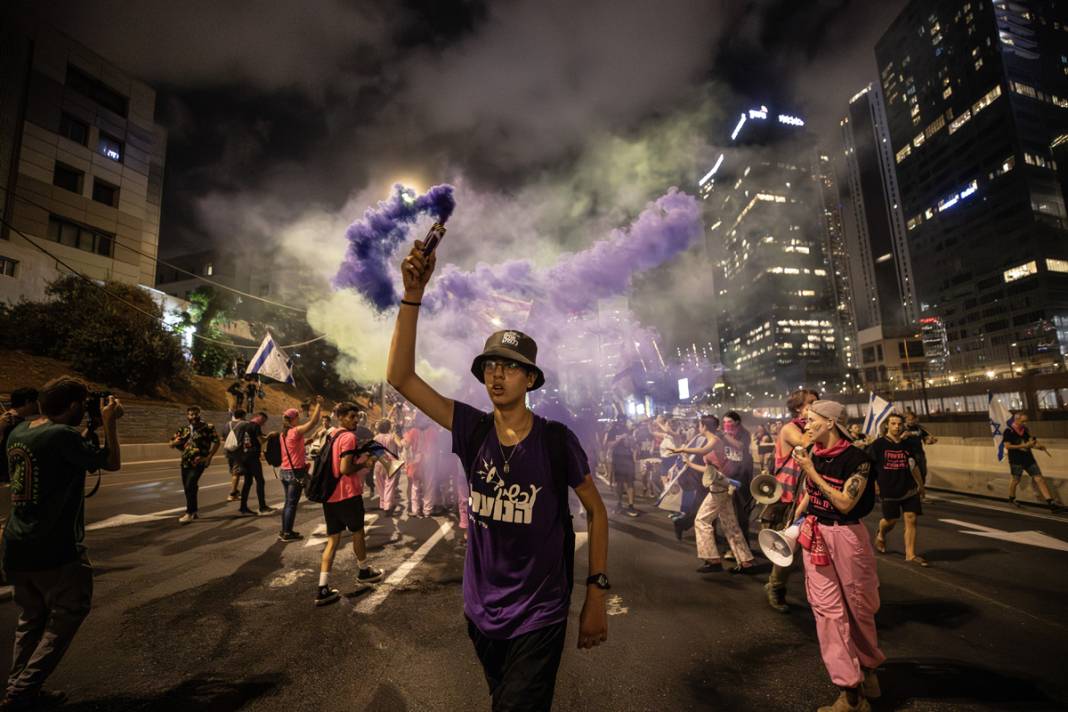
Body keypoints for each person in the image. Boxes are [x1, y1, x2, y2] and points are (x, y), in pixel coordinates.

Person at [386, 239, 609, 710]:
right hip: (481, 611)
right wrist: (412, 295)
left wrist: (596, 594)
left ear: (530, 379)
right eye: (491, 365)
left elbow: (596, 510)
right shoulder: (471, 428)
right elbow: (401, 377)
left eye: (510, 366)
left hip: (540, 613)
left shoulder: (555, 439)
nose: (497, 375)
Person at [2, 378, 123, 709]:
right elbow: (111, 462)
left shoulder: (22, 431)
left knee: (31, 619)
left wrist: (88, 429)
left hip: (16, 544)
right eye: (83, 405)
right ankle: (21, 692)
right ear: (72, 406)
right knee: (68, 613)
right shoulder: (62, 436)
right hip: (52, 546)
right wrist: (110, 424)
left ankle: (21, 686)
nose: (87, 409)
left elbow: (62, 455)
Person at [793, 400, 883, 712]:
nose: (805, 426)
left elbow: (845, 503)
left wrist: (810, 471)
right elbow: (811, 493)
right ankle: (850, 692)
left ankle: (869, 668)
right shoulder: (812, 453)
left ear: (830, 422)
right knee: (827, 613)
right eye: (805, 421)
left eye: (811, 420)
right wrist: (793, 521)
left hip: (846, 536)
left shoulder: (857, 459)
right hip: (815, 535)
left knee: (859, 607)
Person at [315, 402, 385, 606]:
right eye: (351, 417)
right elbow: (345, 468)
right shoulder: (348, 437)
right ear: (341, 417)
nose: (356, 420)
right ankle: (364, 571)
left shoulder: (331, 434)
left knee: (333, 540)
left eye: (357, 417)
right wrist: (365, 463)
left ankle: (322, 588)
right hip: (347, 494)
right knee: (358, 533)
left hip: (330, 496)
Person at [761, 388, 818, 613]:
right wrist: (820, 423)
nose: (817, 405)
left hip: (809, 497)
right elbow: (804, 442)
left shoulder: (815, 428)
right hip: (787, 498)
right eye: (811, 403)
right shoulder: (790, 429)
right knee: (787, 550)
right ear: (798, 408)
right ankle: (775, 587)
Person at [682, 415, 754, 574]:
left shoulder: (715, 440)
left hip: (719, 488)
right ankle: (745, 561)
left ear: (703, 426)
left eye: (699, 425)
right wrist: (689, 463)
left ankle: (713, 560)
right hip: (722, 486)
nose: (698, 428)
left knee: (701, 520)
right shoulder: (714, 439)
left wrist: (682, 449)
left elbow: (705, 454)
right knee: (730, 524)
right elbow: (710, 470)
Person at [869, 413, 928, 566]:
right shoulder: (878, 445)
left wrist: (921, 486)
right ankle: (881, 533)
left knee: (911, 518)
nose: (896, 426)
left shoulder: (907, 444)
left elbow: (913, 466)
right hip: (888, 488)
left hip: (909, 487)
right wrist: (874, 485)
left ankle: (910, 554)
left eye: (899, 424)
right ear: (887, 425)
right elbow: (869, 468)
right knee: (891, 520)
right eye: (893, 423)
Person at [278, 397, 324, 542]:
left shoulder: (283, 434)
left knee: (288, 502)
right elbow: (313, 422)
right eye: (298, 416)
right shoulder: (296, 431)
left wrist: (312, 438)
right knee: (292, 503)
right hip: (295, 472)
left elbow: (297, 446)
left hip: (284, 471)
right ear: (294, 419)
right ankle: (287, 532)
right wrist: (319, 405)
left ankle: (285, 530)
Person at [169, 406, 220, 525]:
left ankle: (190, 512)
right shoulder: (184, 429)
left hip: (200, 461)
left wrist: (209, 457)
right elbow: (171, 443)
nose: (193, 417)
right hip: (185, 461)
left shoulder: (208, 427)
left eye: (196, 414)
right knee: (189, 487)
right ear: (187, 416)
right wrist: (176, 443)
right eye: (191, 414)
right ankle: (194, 511)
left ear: (200, 414)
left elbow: (217, 442)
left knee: (190, 484)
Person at [1003, 412, 1061, 512]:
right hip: (1016, 460)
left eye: (1026, 421)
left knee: (1039, 478)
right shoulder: (1009, 431)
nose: (1025, 423)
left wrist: (1039, 447)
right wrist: (1023, 446)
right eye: (1023, 421)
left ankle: (1050, 502)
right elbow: (1007, 446)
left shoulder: (1025, 430)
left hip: (1028, 458)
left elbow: (1030, 443)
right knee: (1015, 480)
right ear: (1016, 420)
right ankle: (1011, 497)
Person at [234, 411, 274, 516]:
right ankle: (262, 506)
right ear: (258, 417)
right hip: (252, 458)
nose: (263, 423)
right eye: (263, 420)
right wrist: (269, 435)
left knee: (248, 482)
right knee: (260, 481)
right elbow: (261, 440)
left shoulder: (245, 425)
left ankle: (243, 507)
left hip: (244, 457)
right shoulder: (255, 426)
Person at [1, 388, 40, 485]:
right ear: (27, 402)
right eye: (35, 402)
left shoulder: (8, 418)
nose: (37, 406)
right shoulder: (12, 421)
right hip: (7, 477)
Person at [372, 419, 403, 515]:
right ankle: (388, 506)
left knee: (380, 485)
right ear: (389, 427)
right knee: (389, 485)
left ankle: (383, 504)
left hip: (379, 462)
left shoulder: (376, 437)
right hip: (391, 462)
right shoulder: (392, 436)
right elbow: (401, 446)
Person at [608, 422, 639, 517]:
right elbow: (610, 445)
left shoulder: (629, 432)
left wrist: (629, 440)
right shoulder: (612, 431)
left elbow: (634, 446)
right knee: (619, 483)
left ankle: (631, 505)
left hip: (628, 459)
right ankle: (619, 503)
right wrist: (620, 438)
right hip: (617, 459)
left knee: (630, 482)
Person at [902, 411, 937, 482]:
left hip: (919, 454)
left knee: (923, 472)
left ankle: (921, 487)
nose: (911, 421)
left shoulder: (920, 429)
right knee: (911, 474)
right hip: (908, 455)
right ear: (905, 420)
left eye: (912, 419)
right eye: (908, 419)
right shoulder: (902, 429)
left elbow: (926, 439)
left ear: (915, 419)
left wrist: (931, 441)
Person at [222, 409, 247, 501]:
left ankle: (235, 491)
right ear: (243, 415)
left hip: (228, 451)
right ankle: (232, 494)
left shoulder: (227, 424)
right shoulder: (244, 424)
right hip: (238, 451)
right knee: (236, 473)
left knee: (233, 472)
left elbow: (223, 437)